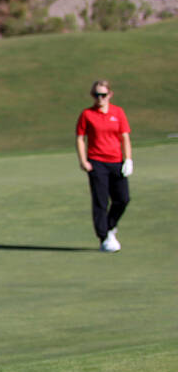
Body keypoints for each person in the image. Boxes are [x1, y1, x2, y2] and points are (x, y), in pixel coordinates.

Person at [75, 80, 133, 252]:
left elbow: (125, 137)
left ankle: (110, 226)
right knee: (100, 202)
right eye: (96, 95)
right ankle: (104, 237)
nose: (100, 98)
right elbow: (80, 138)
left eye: (103, 95)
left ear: (110, 95)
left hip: (116, 161)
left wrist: (128, 159)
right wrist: (83, 161)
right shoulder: (87, 114)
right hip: (96, 162)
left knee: (123, 198)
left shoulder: (118, 112)